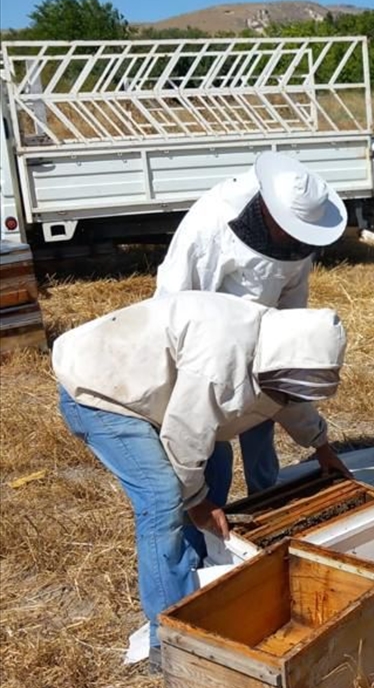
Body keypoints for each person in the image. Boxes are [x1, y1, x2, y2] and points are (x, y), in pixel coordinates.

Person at [52, 295, 347, 656]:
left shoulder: (281, 349)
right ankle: (169, 641)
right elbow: (184, 436)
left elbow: (290, 400)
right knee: (163, 498)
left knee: (216, 461)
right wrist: (195, 501)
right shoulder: (220, 362)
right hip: (99, 389)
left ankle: (195, 573)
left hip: (148, 386)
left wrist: (321, 446)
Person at [155, 151, 348, 504]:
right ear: (268, 209)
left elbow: (292, 307)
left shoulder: (300, 239)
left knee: (263, 418)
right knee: (210, 447)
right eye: (288, 228)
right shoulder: (210, 223)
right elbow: (174, 301)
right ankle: (205, 508)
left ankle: (264, 497)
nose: (293, 238)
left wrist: (320, 443)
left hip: (263, 343)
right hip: (206, 349)